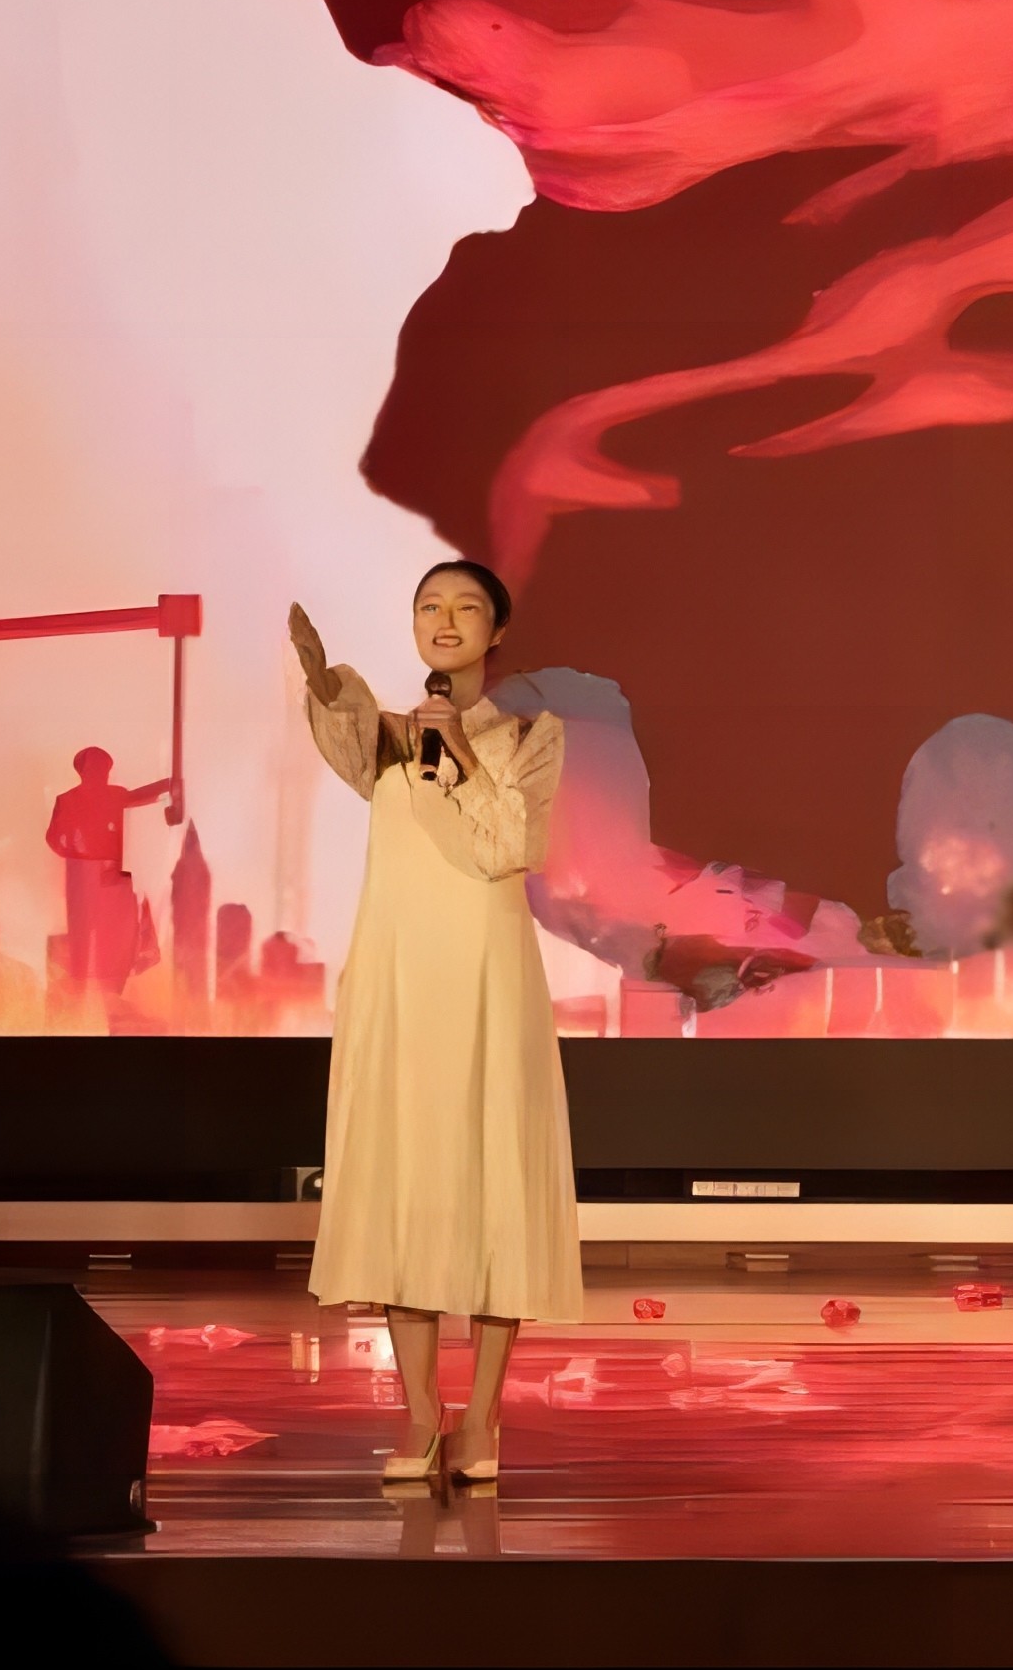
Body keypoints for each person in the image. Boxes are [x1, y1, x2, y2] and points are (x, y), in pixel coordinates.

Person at [284, 560, 579, 1489]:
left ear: (497, 630)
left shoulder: (529, 735)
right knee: (400, 1179)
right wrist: (325, 683)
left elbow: (509, 847)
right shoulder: (385, 738)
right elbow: (344, 738)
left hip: (487, 977)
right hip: (400, 972)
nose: (444, 621)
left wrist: (458, 755)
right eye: (429, 607)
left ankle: (482, 1413)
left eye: (465, 608)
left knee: (494, 1178)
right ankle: (420, 1411)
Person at [43, 747, 176, 1000]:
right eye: (98, 767)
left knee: (118, 927)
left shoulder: (108, 795)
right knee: (96, 931)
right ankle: (96, 988)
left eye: (104, 768)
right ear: (84, 771)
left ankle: (108, 987)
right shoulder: (70, 799)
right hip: (87, 874)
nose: (102, 773)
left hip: (104, 872)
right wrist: (80, 853)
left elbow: (140, 796)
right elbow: (54, 839)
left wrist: (170, 783)